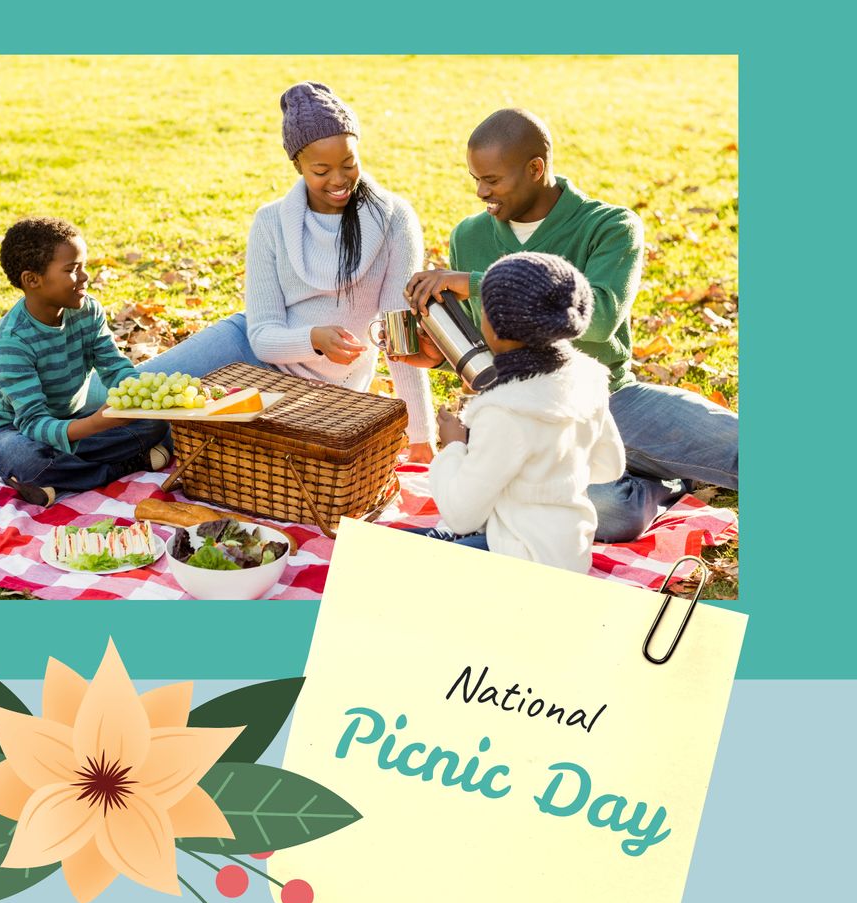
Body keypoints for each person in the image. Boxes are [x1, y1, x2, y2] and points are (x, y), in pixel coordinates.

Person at [398, 108, 737, 541]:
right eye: (475, 179)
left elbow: (600, 319)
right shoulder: (469, 236)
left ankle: (650, 464)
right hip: (530, 421)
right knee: (610, 509)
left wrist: (479, 283)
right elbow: (490, 351)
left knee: (738, 447)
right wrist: (439, 358)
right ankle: (662, 483)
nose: (481, 192)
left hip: (611, 398)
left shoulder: (609, 226)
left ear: (535, 169)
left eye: (492, 180)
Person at [134, 81, 436, 460]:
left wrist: (421, 436)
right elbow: (262, 336)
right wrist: (313, 338)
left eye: (349, 163)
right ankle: (70, 443)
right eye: (321, 170)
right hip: (248, 349)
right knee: (131, 396)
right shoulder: (271, 222)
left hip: (317, 394)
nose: (339, 179)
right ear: (297, 165)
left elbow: (399, 335)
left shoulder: (394, 220)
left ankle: (145, 451)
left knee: (164, 427)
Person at [413, 252, 625, 572]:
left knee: (394, 561)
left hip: (519, 561)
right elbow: (610, 466)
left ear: (496, 328)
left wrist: (454, 445)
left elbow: (460, 515)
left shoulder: (503, 410)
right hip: (571, 554)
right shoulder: (588, 377)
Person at [0, 217, 171, 507]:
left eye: (83, 266)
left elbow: (114, 368)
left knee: (155, 425)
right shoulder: (12, 341)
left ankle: (58, 480)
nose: (85, 277)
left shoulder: (87, 310)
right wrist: (96, 425)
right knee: (29, 461)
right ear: (32, 280)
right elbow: (33, 423)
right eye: (72, 270)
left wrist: (142, 396)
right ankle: (127, 465)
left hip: (73, 419)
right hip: (13, 429)